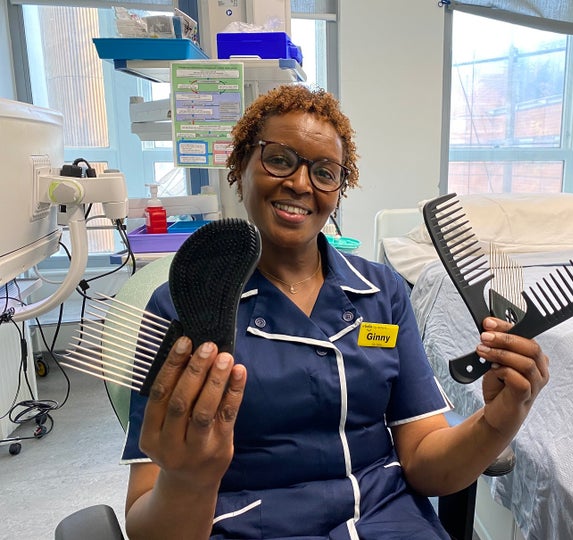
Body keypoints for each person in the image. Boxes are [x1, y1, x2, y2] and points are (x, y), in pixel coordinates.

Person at [121, 84, 550, 540]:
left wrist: (499, 420)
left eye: (325, 173)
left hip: (388, 521)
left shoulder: (382, 293)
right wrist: (188, 479)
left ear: (339, 190)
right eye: (280, 159)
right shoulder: (184, 305)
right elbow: (148, 522)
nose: (302, 184)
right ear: (239, 166)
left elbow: (425, 462)